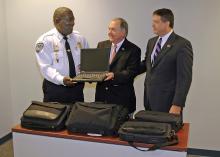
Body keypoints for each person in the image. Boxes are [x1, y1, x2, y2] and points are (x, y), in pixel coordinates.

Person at [139, 8, 193, 114]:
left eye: (156, 22)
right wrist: (123, 71)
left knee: (167, 131)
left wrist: (177, 104)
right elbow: (147, 64)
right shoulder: (151, 42)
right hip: (149, 100)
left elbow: (185, 77)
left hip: (168, 103)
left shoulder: (182, 44)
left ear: (167, 23)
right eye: (152, 22)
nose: (153, 25)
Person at [35, 7, 89, 103]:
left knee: (77, 117)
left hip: (77, 89)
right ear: (57, 21)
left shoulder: (80, 38)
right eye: (69, 20)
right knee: (56, 117)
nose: (72, 23)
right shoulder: (45, 41)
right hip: (55, 89)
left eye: (73, 19)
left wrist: (90, 73)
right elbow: (45, 68)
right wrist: (61, 79)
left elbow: (88, 60)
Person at [95, 18, 141, 114]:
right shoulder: (101, 45)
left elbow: (131, 72)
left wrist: (114, 75)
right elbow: (98, 68)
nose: (109, 32)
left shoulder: (133, 50)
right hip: (101, 101)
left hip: (121, 103)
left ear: (123, 32)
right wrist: (88, 71)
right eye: (109, 29)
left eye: (113, 29)